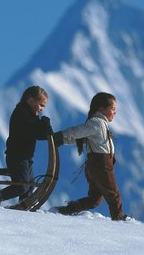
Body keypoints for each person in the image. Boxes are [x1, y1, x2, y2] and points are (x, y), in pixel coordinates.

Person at [52, 92, 126, 221]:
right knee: (113, 195)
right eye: (112, 109)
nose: (115, 112)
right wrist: (61, 135)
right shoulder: (97, 123)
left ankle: (66, 210)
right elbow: (78, 131)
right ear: (101, 109)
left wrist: (63, 140)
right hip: (101, 165)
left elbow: (81, 138)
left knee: (94, 200)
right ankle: (119, 219)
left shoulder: (100, 124)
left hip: (95, 165)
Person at [0, 86, 53, 207]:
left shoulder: (29, 115)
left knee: (29, 186)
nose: (41, 109)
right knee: (22, 186)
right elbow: (38, 132)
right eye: (41, 105)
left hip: (25, 157)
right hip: (17, 156)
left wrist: (45, 126)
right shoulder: (22, 114)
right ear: (31, 100)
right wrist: (45, 125)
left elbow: (40, 133)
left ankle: (22, 207)